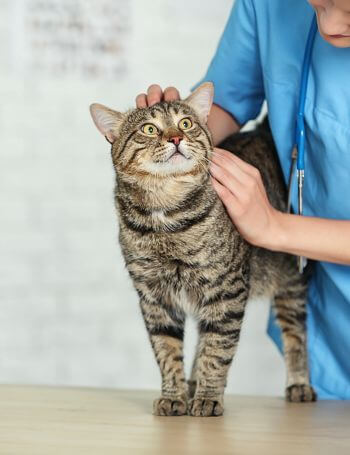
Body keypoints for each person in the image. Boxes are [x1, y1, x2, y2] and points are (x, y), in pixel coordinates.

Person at [135, 0, 350, 399]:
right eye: (318, 3)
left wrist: (276, 228)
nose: (331, 23)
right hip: (328, 333)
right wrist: (174, 134)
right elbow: (228, 99)